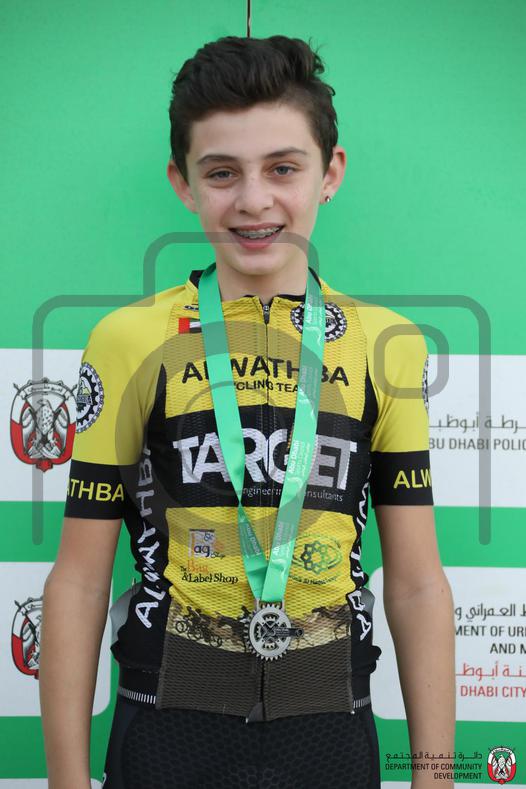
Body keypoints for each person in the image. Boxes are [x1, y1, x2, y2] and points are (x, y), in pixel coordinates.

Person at [39, 35, 455, 789]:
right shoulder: (130, 339)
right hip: (167, 724)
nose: (255, 201)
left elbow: (418, 583)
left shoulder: (385, 344)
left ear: (330, 174)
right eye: (222, 172)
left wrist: (437, 775)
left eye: (283, 168)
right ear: (183, 182)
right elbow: (78, 581)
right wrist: (66, 783)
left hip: (330, 725)